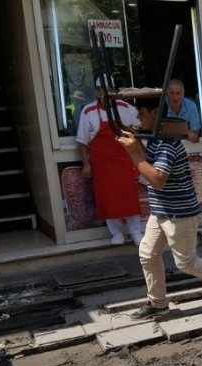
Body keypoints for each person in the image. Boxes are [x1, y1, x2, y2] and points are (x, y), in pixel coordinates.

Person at [117, 97, 202, 320]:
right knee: (147, 254)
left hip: (179, 214)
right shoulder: (155, 140)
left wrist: (133, 153)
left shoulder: (167, 144)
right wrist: (136, 144)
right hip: (162, 211)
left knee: (186, 263)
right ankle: (158, 302)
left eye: (141, 113)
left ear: (154, 114)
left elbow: (157, 179)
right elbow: (147, 162)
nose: (138, 119)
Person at [76, 76, 143, 246]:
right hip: (102, 163)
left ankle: (136, 232)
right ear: (97, 92)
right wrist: (86, 164)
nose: (106, 93)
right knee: (107, 197)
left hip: (123, 159)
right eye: (102, 90)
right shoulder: (88, 111)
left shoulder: (126, 107)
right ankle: (116, 233)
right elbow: (82, 142)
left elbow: (139, 127)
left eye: (110, 89)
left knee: (128, 195)